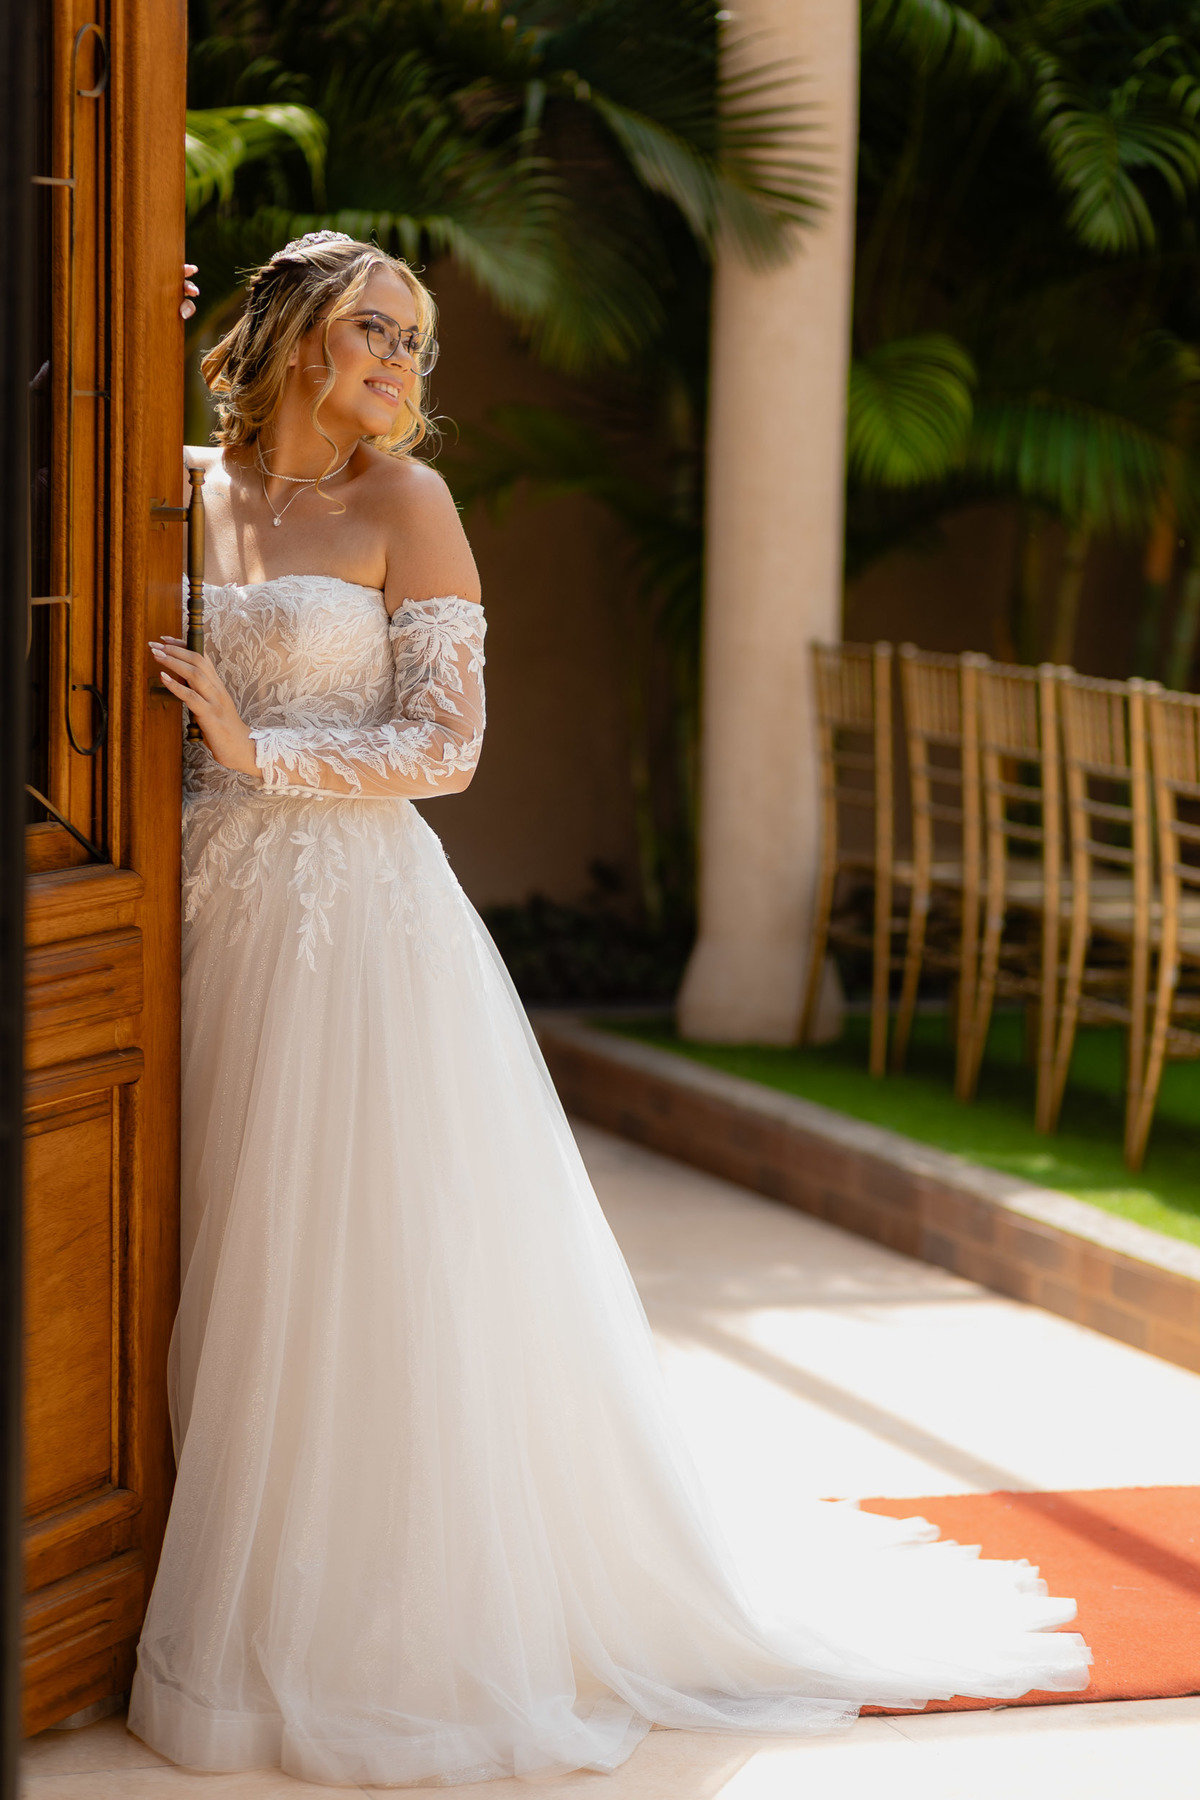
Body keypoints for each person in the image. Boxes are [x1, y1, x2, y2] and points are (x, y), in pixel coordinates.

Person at [129, 232, 1090, 1789]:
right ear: (298, 334)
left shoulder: (409, 503)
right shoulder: (181, 489)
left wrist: (259, 752)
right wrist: (120, 308)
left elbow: (448, 749)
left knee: (338, 1262)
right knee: (202, 1244)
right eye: (378, 328)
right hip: (191, 918)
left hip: (352, 933)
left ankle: (357, 1618)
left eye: (418, 341)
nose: (404, 362)